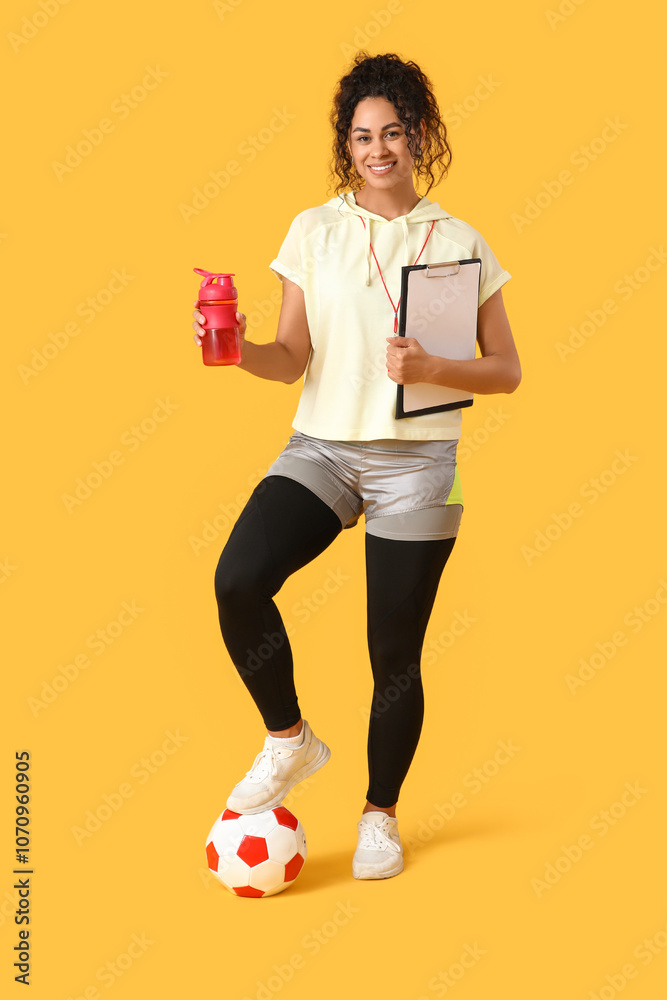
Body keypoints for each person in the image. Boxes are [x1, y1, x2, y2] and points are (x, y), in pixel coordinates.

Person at [192, 51, 521, 880]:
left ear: (419, 137)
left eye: (394, 133)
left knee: (393, 655)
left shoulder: (459, 240)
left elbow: (506, 368)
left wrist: (434, 370)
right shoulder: (314, 230)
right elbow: (290, 355)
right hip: (324, 449)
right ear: (347, 144)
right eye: (362, 135)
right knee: (238, 579)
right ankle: (289, 740)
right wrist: (238, 354)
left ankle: (380, 815)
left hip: (419, 463)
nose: (378, 149)